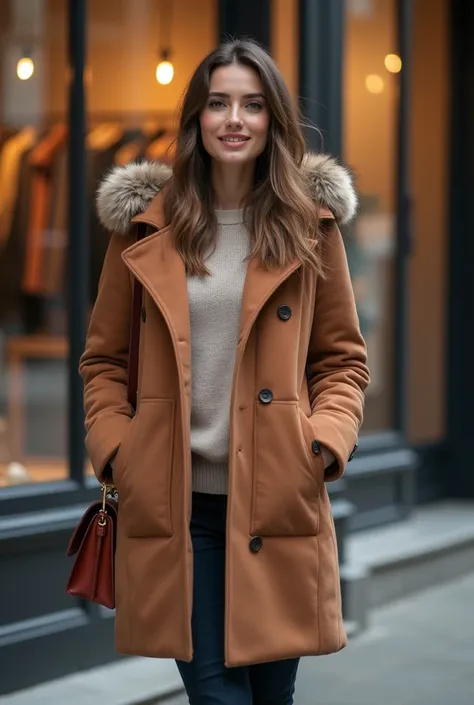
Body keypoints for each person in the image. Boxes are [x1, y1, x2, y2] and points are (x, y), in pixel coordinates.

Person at [80, 39, 369, 705]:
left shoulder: (311, 228)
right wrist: (120, 450)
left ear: (273, 121)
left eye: (252, 104)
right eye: (218, 103)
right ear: (196, 119)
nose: (234, 118)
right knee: (217, 698)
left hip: (279, 501)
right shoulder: (145, 231)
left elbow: (343, 361)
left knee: (272, 699)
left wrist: (321, 444)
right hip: (180, 511)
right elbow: (102, 360)